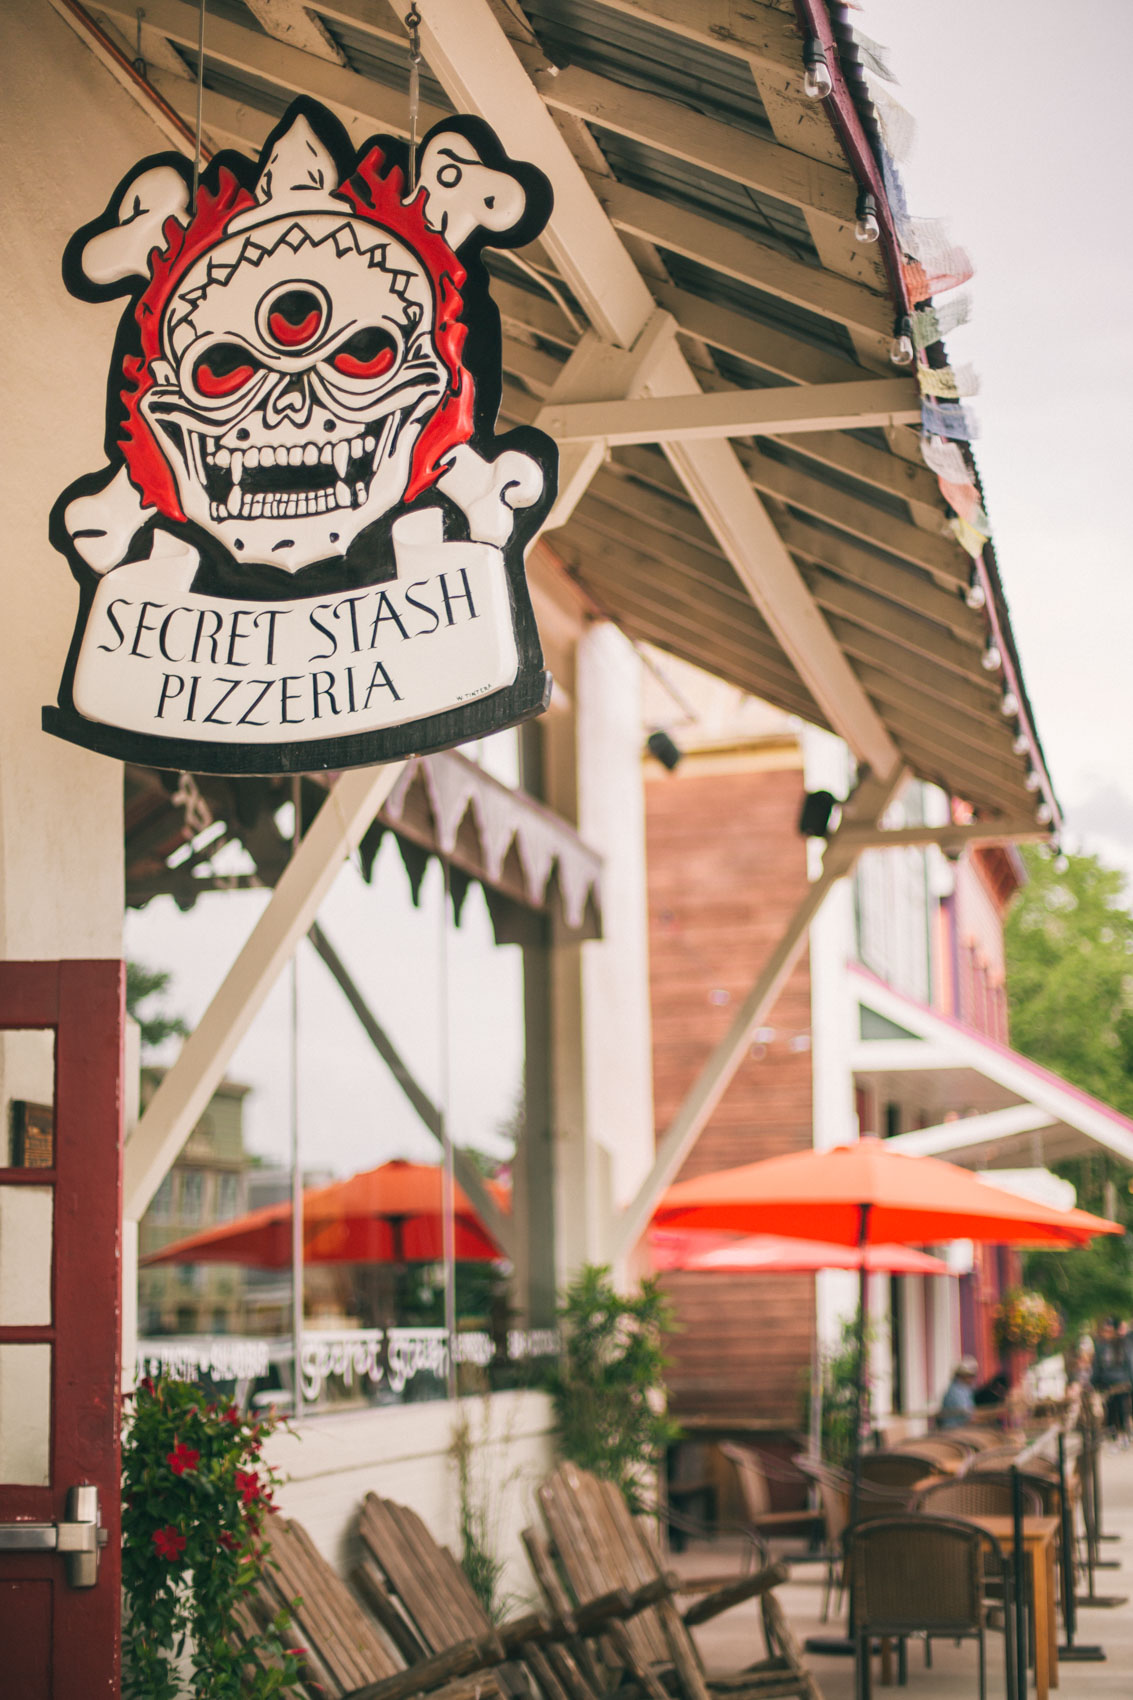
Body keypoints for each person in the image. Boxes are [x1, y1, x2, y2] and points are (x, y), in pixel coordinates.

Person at [938, 1356, 979, 1428]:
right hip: (954, 1429)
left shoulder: (965, 1389)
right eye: (969, 1376)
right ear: (961, 1375)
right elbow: (967, 1417)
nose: (972, 1379)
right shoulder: (956, 1391)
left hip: (961, 1427)